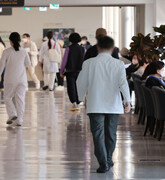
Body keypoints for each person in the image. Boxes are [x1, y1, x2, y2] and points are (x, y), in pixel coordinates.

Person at [76, 36, 131, 173]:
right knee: (111, 134)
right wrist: (127, 101)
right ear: (112, 49)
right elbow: (123, 83)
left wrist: (81, 97)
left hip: (95, 104)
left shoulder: (89, 63)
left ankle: (103, 163)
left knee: (98, 134)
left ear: (98, 47)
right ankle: (108, 159)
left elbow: (80, 82)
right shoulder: (118, 64)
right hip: (113, 104)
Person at [0, 32, 31, 126]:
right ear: (19, 40)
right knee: (20, 99)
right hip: (22, 79)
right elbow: (28, 64)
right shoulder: (23, 51)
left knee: (7, 98)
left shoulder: (6, 52)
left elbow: (0, 67)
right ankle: (19, 120)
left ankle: (12, 114)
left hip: (10, 79)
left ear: (10, 41)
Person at [60, 33, 85, 111]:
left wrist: (61, 71)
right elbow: (85, 60)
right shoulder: (83, 49)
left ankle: (74, 102)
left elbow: (65, 60)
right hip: (80, 70)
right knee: (79, 86)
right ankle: (78, 101)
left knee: (71, 87)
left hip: (70, 71)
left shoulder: (68, 48)